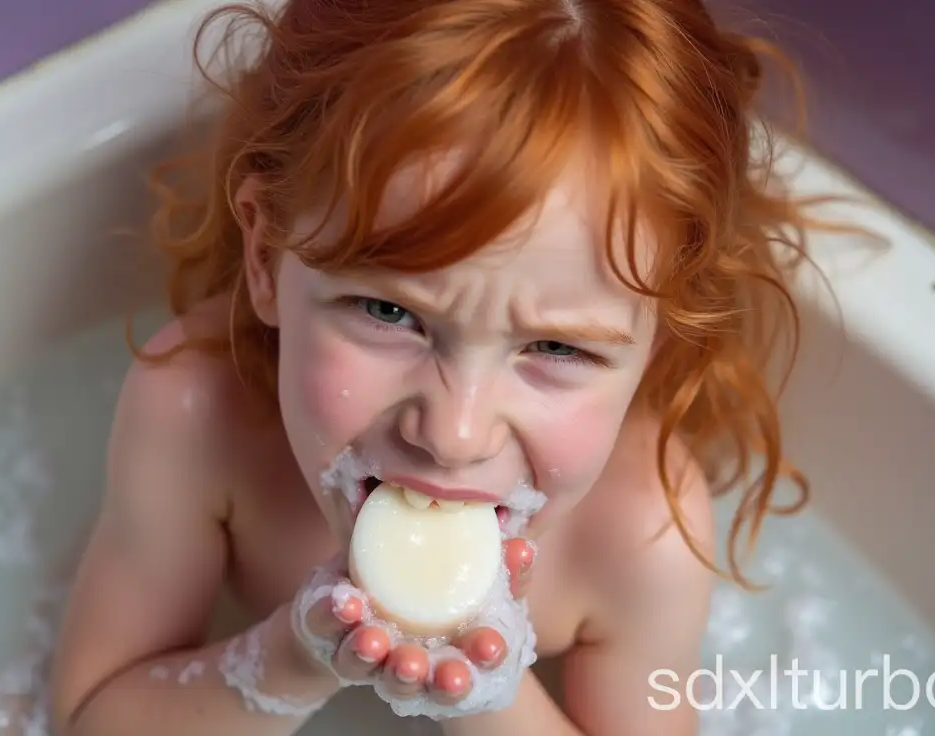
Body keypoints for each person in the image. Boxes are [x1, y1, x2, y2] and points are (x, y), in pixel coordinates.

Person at [49, 0, 820, 733]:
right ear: (265, 256)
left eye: (557, 349)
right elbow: (87, 718)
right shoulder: (196, 415)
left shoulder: (640, 533)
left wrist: (488, 685)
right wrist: (291, 657)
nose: (453, 434)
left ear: (656, 339)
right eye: (389, 314)